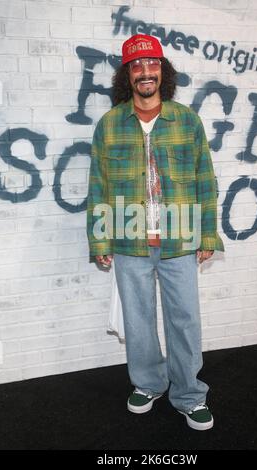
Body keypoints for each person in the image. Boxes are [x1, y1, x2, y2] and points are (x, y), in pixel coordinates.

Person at [87, 34, 224, 431]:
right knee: (138, 320)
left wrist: (208, 236)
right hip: (128, 239)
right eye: (136, 65)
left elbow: (205, 180)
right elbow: (98, 185)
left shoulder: (187, 120)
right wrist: (99, 239)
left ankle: (189, 394)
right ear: (127, 74)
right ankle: (148, 383)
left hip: (180, 238)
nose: (145, 72)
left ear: (162, 71)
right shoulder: (110, 125)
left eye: (152, 64)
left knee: (184, 320)